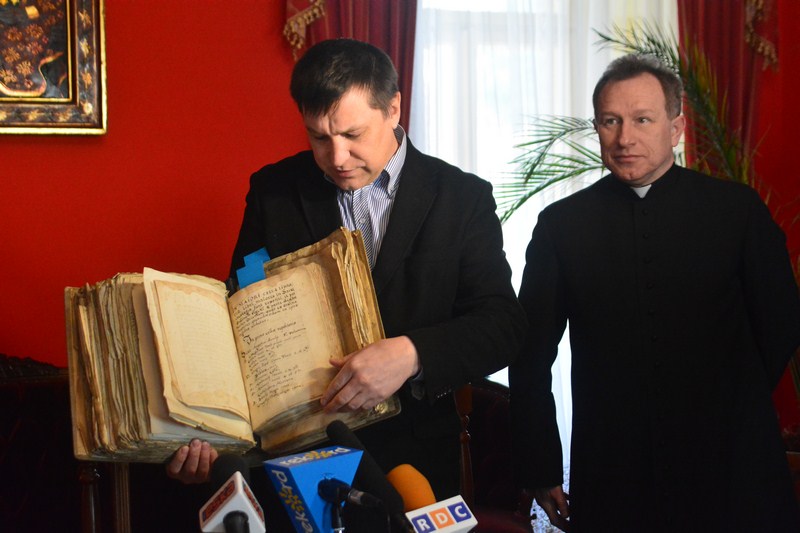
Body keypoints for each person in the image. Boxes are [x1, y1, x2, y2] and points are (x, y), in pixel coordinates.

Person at [167, 37, 526, 528]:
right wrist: (208, 429)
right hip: (296, 468)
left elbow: (503, 325)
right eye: (318, 137)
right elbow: (240, 318)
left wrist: (410, 354)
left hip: (413, 466)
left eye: (353, 134)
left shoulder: (462, 197)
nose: (336, 157)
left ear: (393, 108)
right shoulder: (273, 191)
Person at [510, 53, 800, 532]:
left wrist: (728, 397)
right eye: (611, 121)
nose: (625, 138)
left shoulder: (737, 211)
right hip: (613, 467)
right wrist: (541, 467)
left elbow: (782, 323)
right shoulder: (561, 225)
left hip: (733, 460)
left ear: (677, 128)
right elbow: (530, 354)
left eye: (642, 119)